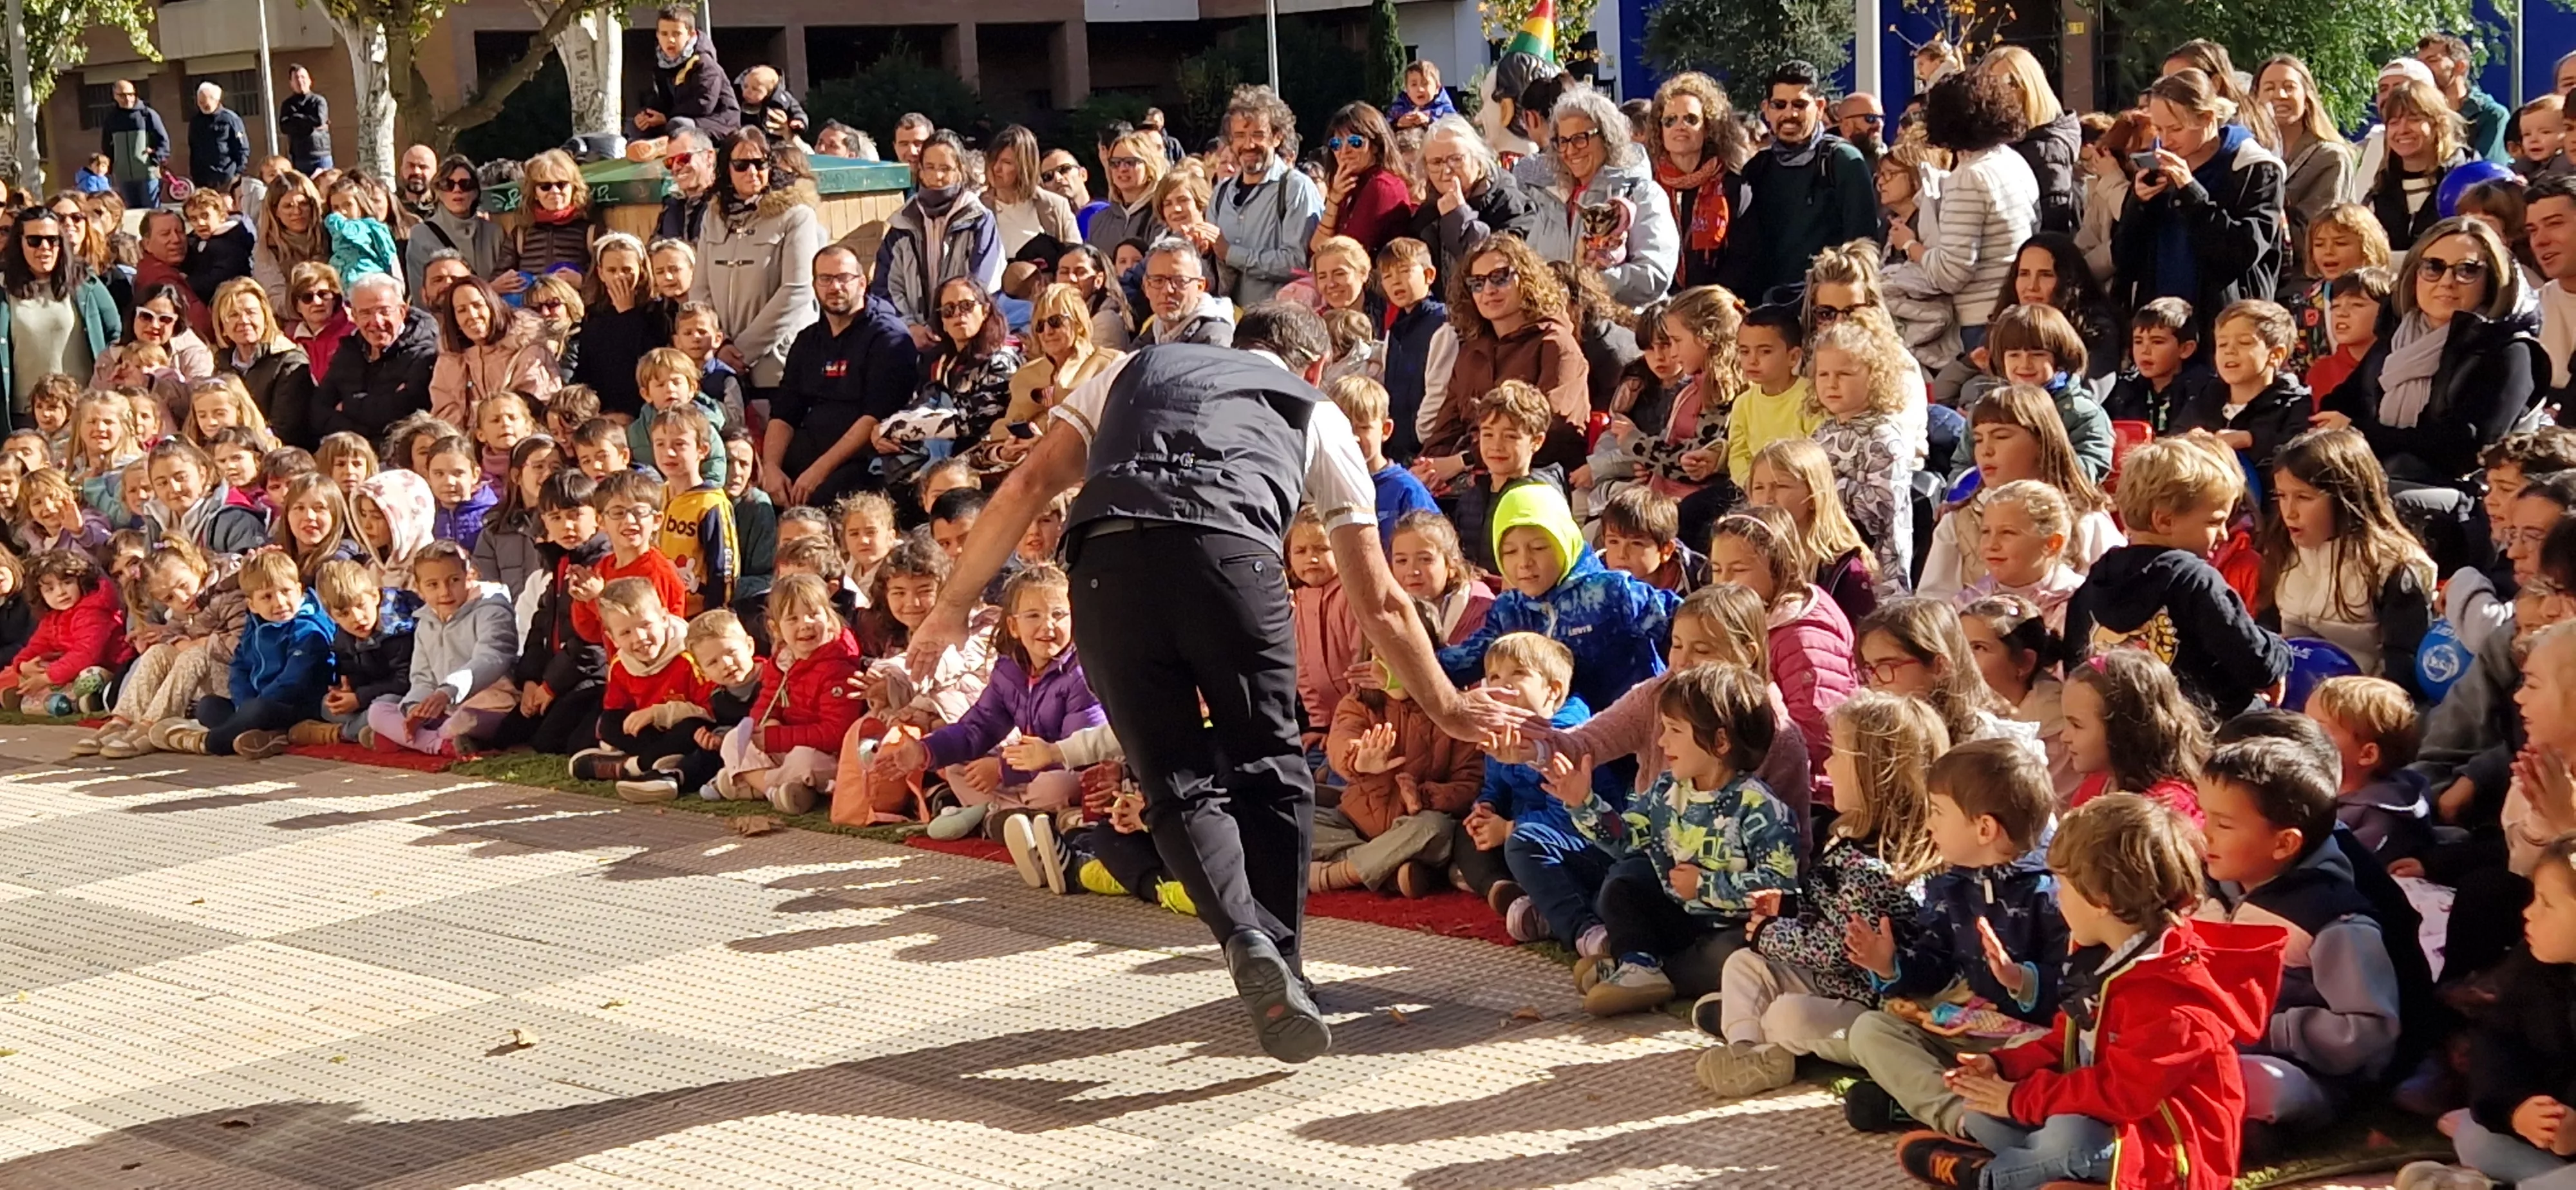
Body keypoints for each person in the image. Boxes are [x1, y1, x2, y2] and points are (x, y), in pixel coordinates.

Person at [905, 301, 1506, 1064]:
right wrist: (1447, 705)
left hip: (1106, 568)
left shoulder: (1132, 368)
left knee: (1174, 780)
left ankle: (1242, 936)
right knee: (1270, 765)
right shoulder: (1313, 411)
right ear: (1314, 367)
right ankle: (1283, 964)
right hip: (1231, 560)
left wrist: (952, 608)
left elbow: (1025, 483)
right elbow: (1381, 599)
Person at [1895, 792, 2275, 1190]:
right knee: (1981, 1112)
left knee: (2068, 1137)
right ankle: (2040, 1168)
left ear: (2100, 901)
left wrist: (2018, 1099)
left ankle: (1989, 1177)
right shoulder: (2101, 958)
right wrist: (2005, 1069)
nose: (2057, 898)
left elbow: (2121, 1093)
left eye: (2062, 885)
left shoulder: (2175, 998)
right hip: (2103, 1121)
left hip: (2168, 1155)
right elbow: (2068, 1040)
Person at [1841, 739, 2067, 1137]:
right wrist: (1890, 965)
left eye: (1939, 813)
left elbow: (2075, 988)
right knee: (1870, 1031)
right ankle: (1962, 1119)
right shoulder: (1950, 885)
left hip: (2023, 1044)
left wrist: (2021, 979)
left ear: (1984, 828)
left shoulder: (2050, 896)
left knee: (2052, 1059)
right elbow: (1934, 964)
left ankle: (1972, 1113)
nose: (1930, 824)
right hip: (1964, 1033)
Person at [2317, 216, 2543, 567]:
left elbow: (2466, 447)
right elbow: (2337, 404)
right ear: (2414, 275)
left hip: (2471, 501)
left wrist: (2360, 432)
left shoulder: (2509, 351)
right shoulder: (2396, 339)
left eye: (2467, 270)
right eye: (2433, 267)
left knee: (2369, 502)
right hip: (2384, 473)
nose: (2447, 281)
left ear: (2492, 279)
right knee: (2300, 486)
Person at [2065, 433, 2291, 716]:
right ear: (2165, 520)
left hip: (2120, 733)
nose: (2223, 534)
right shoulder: (2195, 580)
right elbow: (2257, 662)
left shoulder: (2095, 583)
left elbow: (2075, 666)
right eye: (2215, 522)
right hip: (2201, 736)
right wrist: (2280, 654)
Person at [2113, 68, 2287, 334]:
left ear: (2207, 119)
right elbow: (2125, 259)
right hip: (2162, 330)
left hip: (2225, 330)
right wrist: (2138, 205)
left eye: (2176, 129)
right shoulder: (2158, 166)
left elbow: (2241, 253)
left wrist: (2191, 192)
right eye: (2159, 129)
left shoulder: (2254, 168)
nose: (2166, 140)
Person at [1896, 71, 2038, 354]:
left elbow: (1951, 272)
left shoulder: (1969, 178)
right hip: (2011, 307)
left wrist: (1911, 246)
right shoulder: (2012, 160)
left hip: (1979, 319)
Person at [766, 245, 918, 507]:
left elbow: (873, 418)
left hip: (860, 462)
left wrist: (817, 473)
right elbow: (784, 413)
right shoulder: (808, 340)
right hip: (807, 457)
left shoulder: (889, 338)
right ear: (814, 285)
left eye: (843, 278)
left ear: (862, 283)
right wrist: (771, 469)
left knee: (819, 501)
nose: (834, 287)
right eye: (825, 279)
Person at [1737, 61, 1881, 301]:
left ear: (1820, 107)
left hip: (1826, 308)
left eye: (1800, 104)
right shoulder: (1758, 167)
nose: (1789, 114)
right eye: (1779, 105)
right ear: (1766, 109)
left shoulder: (1842, 161)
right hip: (1769, 311)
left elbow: (1863, 247)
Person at [1522, 85, 1678, 308]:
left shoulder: (1641, 194)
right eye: (1562, 141)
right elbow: (1531, 268)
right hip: (1564, 334)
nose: (1570, 150)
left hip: (1623, 335)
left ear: (1608, 138)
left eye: (1580, 138)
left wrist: (1583, 284)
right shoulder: (1552, 200)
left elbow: (1654, 276)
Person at [873, 129, 999, 351]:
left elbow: (981, 284)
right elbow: (885, 286)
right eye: (930, 167)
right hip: (910, 339)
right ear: (920, 171)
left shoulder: (979, 220)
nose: (937, 177)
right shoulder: (902, 224)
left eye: (945, 169)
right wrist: (909, 326)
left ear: (960, 171)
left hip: (965, 338)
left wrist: (943, 324)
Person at [1, 208, 119, 424]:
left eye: (52, 240)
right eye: (35, 241)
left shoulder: (85, 284)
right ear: (19, 244)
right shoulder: (4, 288)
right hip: (26, 413)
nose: (44, 248)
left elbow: (115, 333)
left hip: (81, 408)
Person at [1209, 86, 1323, 306]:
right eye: (1240, 136)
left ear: (1277, 137)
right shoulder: (1221, 193)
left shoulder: (1296, 188)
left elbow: (1296, 263)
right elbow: (1214, 267)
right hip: (1229, 324)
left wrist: (1232, 254)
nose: (1249, 145)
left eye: (1258, 135)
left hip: (1277, 324)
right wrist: (1203, 251)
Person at [1405, 115, 1542, 285]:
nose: (1446, 171)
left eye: (1456, 159)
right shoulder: (1429, 211)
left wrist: (1458, 216)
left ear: (1477, 158)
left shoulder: (1510, 203)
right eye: (1436, 162)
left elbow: (1498, 267)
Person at [1647, 73, 1752, 292]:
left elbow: (1744, 259)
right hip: (1663, 305)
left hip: (1719, 305)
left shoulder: (1733, 184)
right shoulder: (1648, 187)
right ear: (1660, 130)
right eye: (1670, 120)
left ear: (1709, 128)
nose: (1680, 126)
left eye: (1691, 119)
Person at [2259, 56, 2358, 288]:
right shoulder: (2249, 155)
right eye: (2269, 88)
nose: (2279, 95)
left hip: (2307, 287)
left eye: (2289, 87)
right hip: (2260, 283)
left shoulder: (2330, 158)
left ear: (2307, 96)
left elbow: (2322, 236)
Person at [312, 273, 438, 442]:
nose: (376, 322)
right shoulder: (348, 351)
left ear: (402, 312)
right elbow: (319, 411)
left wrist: (348, 406)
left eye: (384, 311)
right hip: (350, 451)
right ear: (354, 317)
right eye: (365, 313)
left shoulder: (425, 353)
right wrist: (362, 435)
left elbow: (404, 412)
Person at [427, 275, 558, 427]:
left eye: (477, 305)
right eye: (462, 310)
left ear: (492, 306)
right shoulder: (449, 361)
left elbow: (535, 411)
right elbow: (444, 417)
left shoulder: (528, 353)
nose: (472, 316)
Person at [207, 278, 316, 449]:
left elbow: (284, 432)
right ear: (222, 326)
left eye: (251, 312)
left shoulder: (290, 363)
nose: (243, 321)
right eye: (234, 315)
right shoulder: (223, 363)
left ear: (266, 318)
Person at [1311, 103, 1416, 260]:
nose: (1344, 151)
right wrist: (1334, 200)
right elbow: (1316, 248)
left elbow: (1347, 254)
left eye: (1355, 142)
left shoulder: (1382, 185)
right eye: (1336, 144)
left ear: (1375, 146)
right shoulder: (1350, 185)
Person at [628, 4, 741, 149]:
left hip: (718, 124)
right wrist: (646, 114)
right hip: (678, 117)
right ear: (657, 35)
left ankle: (664, 149)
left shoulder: (704, 63)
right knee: (639, 125)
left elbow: (703, 105)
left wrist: (666, 118)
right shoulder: (663, 64)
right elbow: (662, 100)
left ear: (691, 35)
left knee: (679, 126)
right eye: (664, 34)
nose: (671, 40)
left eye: (677, 34)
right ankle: (646, 155)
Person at [404, 155, 501, 300]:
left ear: (475, 192)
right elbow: (423, 299)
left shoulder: (494, 233)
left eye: (465, 184)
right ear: (438, 191)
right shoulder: (421, 234)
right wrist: (491, 290)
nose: (457, 190)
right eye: (448, 184)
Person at [983, 125, 1080, 261]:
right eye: (993, 160)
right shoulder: (978, 208)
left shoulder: (1055, 206)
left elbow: (1076, 258)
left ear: (1025, 167)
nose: (996, 168)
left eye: (1007, 162)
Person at [2419, 32, 2512, 164]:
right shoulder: (2419, 114)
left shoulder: (2492, 115)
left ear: (2460, 67)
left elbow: (2486, 174)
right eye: (2420, 63)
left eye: (2432, 60)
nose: (2422, 69)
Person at [1134, 236, 1234, 347]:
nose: (1167, 290)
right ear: (1146, 287)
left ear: (1200, 287)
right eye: (1158, 281)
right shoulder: (1155, 329)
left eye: (1180, 281)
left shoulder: (1214, 337)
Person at [1087, 130, 1168, 254]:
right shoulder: (1098, 221)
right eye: (1115, 163)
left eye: (1131, 162)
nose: (1122, 169)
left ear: (1150, 166)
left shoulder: (1162, 215)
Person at [98, 79, 169, 211]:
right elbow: (107, 146)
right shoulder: (112, 119)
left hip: (148, 175)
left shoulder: (148, 115)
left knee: (152, 213)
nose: (128, 98)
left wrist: (155, 160)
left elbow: (163, 142)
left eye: (131, 94)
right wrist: (112, 167)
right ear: (115, 96)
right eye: (123, 95)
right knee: (132, 214)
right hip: (123, 176)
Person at [185, 83, 249, 193]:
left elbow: (242, 148)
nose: (203, 106)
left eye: (206, 103)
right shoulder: (196, 122)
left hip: (226, 176)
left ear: (216, 100)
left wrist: (237, 173)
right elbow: (193, 148)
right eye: (200, 103)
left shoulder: (230, 119)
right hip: (202, 178)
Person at [275, 65, 330, 175]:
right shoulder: (288, 105)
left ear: (310, 81)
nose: (300, 81)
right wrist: (308, 122)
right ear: (291, 83)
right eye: (296, 78)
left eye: (303, 77)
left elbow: (319, 121)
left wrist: (296, 118)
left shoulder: (318, 101)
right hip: (300, 156)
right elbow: (284, 127)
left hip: (321, 155)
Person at [734, 64, 806, 144]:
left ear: (769, 92)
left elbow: (797, 110)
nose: (748, 92)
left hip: (773, 139)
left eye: (755, 89)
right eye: (745, 86)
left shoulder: (782, 100)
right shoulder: (738, 99)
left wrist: (799, 121)